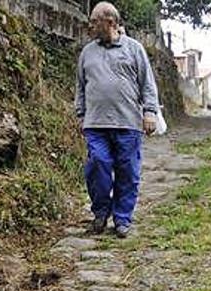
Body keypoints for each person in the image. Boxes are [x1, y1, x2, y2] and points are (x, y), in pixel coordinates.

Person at [75, 2, 158, 238]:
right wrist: (80, 114)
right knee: (97, 165)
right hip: (95, 123)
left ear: (110, 22)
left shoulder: (134, 49)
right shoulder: (87, 52)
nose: (90, 26)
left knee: (127, 172)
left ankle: (122, 218)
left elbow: (147, 84)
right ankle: (101, 212)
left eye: (94, 21)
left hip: (128, 122)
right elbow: (80, 86)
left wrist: (149, 112)